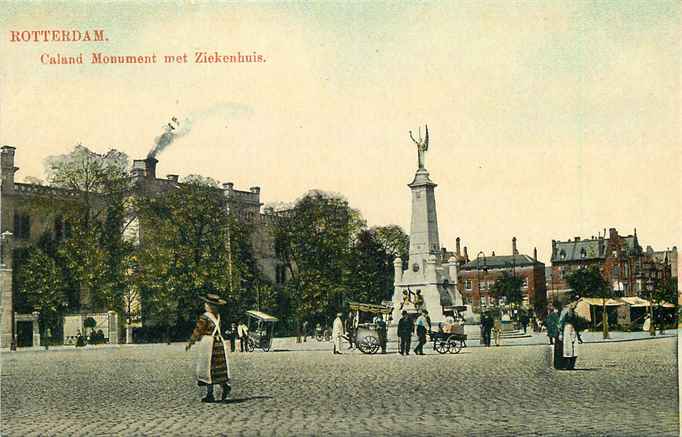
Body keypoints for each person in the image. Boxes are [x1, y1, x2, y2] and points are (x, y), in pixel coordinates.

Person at [186, 293, 231, 403]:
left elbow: (198, 330)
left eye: (207, 304)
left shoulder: (205, 317)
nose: (205, 305)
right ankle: (224, 386)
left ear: (210, 306)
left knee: (207, 368)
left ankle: (210, 394)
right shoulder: (218, 317)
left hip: (208, 344)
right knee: (217, 368)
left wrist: (191, 342)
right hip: (218, 344)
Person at [557, 304, 579, 370]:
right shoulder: (565, 311)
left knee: (575, 347)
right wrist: (560, 332)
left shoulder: (575, 312)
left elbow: (576, 323)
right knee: (567, 347)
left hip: (573, 329)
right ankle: (566, 364)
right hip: (566, 328)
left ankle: (572, 364)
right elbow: (561, 322)